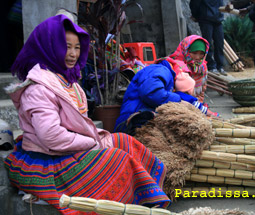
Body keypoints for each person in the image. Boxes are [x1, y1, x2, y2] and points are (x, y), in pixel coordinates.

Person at [4, 15, 171, 214]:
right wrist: (91, 142)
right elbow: (51, 137)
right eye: (66, 46)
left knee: (127, 142)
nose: (73, 54)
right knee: (116, 159)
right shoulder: (38, 89)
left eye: (76, 47)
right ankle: (129, 206)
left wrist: (93, 138)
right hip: (47, 162)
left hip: (70, 150)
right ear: (48, 46)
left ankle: (149, 201)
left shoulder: (67, 81)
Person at [114, 57, 219, 135]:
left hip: (137, 121)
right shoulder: (161, 70)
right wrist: (178, 100)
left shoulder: (164, 73)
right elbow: (151, 93)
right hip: (131, 123)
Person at [189, 0, 228, 76]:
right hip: (205, 19)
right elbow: (194, 3)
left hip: (218, 20)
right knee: (208, 43)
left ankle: (220, 66)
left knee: (220, 44)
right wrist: (196, 16)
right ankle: (211, 66)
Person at [168, 35, 210, 102]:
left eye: (201, 53)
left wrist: (199, 103)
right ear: (186, 50)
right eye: (194, 53)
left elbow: (202, 90)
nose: (197, 57)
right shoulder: (176, 66)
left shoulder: (202, 67)